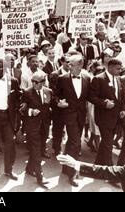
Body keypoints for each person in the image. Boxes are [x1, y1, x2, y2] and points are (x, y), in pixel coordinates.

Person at [55, 54, 91, 187]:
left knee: (71, 141)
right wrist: (59, 102)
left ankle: (65, 167)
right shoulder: (62, 78)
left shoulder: (87, 78)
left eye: (72, 64)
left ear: (81, 65)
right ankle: (72, 173)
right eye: (68, 64)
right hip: (69, 115)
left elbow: (90, 96)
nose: (68, 66)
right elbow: (56, 95)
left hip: (81, 115)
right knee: (76, 143)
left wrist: (103, 102)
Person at [90, 58, 124, 169]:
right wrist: (104, 103)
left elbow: (120, 97)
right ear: (109, 67)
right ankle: (110, 170)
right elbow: (91, 97)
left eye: (120, 69)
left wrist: (122, 109)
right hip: (103, 117)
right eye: (117, 69)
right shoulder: (98, 79)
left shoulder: (118, 79)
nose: (119, 71)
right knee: (108, 144)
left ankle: (97, 166)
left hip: (115, 118)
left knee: (105, 143)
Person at [20, 72, 51, 187]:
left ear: (43, 82)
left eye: (36, 82)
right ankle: (40, 176)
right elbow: (21, 109)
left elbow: (49, 107)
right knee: (37, 150)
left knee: (39, 148)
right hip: (32, 126)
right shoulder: (27, 92)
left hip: (44, 126)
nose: (34, 84)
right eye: (33, 81)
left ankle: (29, 169)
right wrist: (30, 112)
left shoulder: (49, 92)